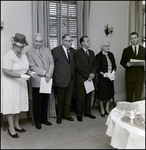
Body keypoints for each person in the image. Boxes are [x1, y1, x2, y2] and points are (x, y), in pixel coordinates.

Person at [1, 33, 36, 138]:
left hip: (20, 83)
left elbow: (26, 68)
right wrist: (21, 75)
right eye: (19, 46)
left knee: (18, 104)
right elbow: (6, 71)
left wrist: (30, 72)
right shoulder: (8, 56)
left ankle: (17, 124)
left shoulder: (24, 55)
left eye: (22, 46)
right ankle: (11, 128)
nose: (21, 48)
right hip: (10, 84)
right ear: (14, 44)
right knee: (11, 105)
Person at [26, 33, 54, 129]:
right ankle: (38, 121)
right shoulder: (29, 52)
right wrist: (45, 73)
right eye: (36, 41)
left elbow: (52, 62)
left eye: (40, 41)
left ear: (42, 41)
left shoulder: (47, 50)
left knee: (46, 100)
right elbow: (32, 66)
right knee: (37, 101)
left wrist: (49, 74)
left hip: (47, 79)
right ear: (34, 41)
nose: (38, 43)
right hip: (37, 80)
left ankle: (44, 119)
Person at [52, 34, 75, 124]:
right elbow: (52, 64)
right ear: (63, 41)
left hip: (70, 78)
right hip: (60, 78)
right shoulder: (56, 50)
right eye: (69, 41)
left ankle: (67, 115)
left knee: (68, 98)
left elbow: (72, 64)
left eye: (71, 41)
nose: (70, 43)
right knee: (60, 99)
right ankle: (59, 116)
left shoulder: (72, 51)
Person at [75, 36, 97, 122]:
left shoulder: (91, 52)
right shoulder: (78, 53)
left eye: (89, 41)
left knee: (89, 96)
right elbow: (78, 66)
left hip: (90, 78)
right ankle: (79, 114)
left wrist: (92, 74)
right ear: (82, 43)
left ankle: (88, 112)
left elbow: (95, 64)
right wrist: (88, 75)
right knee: (80, 97)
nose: (89, 42)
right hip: (82, 78)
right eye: (87, 41)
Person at [120, 32, 145, 102]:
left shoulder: (143, 50)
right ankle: (129, 112)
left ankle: (137, 113)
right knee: (129, 98)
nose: (133, 40)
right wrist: (127, 64)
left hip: (140, 77)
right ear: (130, 40)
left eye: (135, 38)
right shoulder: (126, 50)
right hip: (130, 77)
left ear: (138, 38)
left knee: (138, 98)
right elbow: (122, 62)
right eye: (131, 38)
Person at [95, 41, 117, 118]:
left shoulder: (111, 55)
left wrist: (113, 73)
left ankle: (107, 108)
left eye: (109, 46)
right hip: (102, 77)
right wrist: (105, 74)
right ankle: (102, 109)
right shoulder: (98, 56)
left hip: (110, 77)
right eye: (106, 46)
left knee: (109, 93)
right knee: (102, 94)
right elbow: (97, 68)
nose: (108, 47)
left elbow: (114, 65)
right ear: (102, 47)